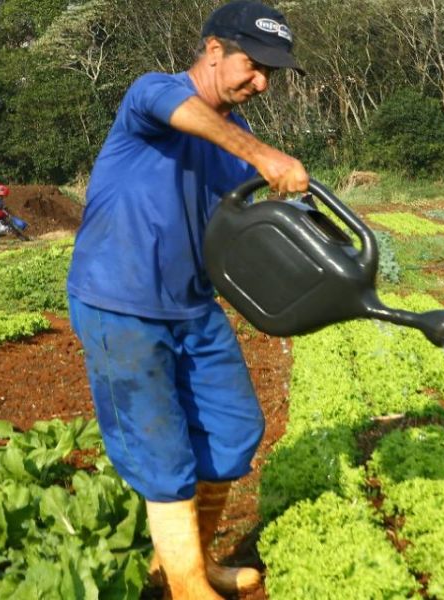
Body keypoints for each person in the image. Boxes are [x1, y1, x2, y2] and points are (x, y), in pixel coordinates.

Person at [65, 2, 309, 599]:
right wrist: (262, 155)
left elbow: (245, 228)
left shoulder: (235, 138)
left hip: (193, 305)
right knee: (161, 448)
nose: (262, 83)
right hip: (121, 302)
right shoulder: (153, 93)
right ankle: (187, 586)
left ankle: (193, 560)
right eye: (254, 66)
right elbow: (183, 113)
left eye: (270, 73)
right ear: (214, 50)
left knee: (234, 427)